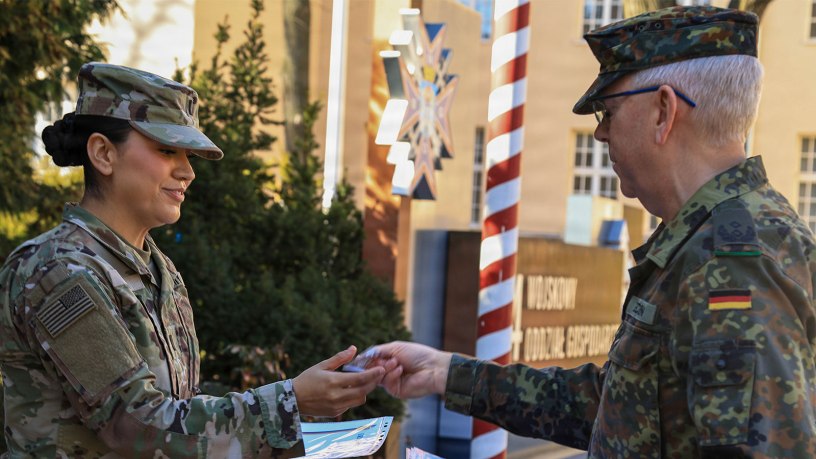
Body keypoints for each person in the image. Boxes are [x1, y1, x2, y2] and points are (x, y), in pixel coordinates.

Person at [374, 6, 816, 458]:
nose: (601, 136)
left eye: (608, 112)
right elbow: (624, 408)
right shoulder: (707, 239)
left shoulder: (733, 262)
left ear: (663, 111)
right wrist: (446, 373)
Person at [0, 62, 391, 458]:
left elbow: (182, 419)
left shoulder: (159, 270)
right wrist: (289, 402)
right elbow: (133, 423)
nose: (187, 171)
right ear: (103, 153)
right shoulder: (57, 270)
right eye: (167, 149)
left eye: (188, 155)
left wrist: (315, 431)